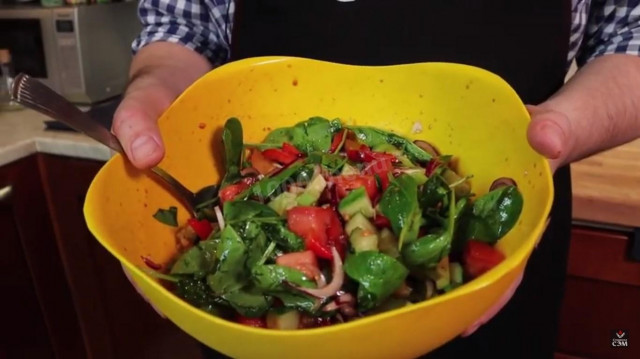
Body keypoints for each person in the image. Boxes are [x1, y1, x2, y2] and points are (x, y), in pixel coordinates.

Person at [113, 1, 640, 358]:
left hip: (502, 235)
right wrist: (152, 93)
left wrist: (554, 135)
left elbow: (631, 39)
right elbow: (182, 31)